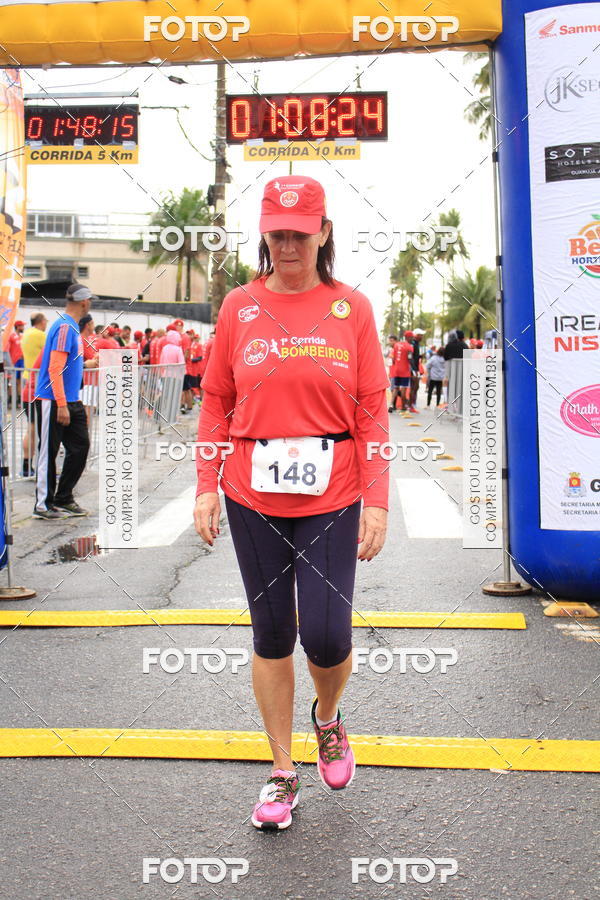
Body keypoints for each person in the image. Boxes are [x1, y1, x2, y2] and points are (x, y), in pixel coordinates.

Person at [194, 175, 389, 831]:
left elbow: (373, 413)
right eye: (277, 233)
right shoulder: (239, 306)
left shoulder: (351, 309)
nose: (288, 245)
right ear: (265, 235)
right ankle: (281, 773)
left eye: (300, 234)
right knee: (273, 633)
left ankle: (328, 719)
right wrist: (204, 484)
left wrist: (379, 500)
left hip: (332, 491)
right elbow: (216, 400)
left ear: (323, 233)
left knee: (329, 635)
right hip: (252, 490)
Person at [33, 287, 93, 519]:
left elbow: (67, 364)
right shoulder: (65, 326)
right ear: (84, 302)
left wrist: (86, 366)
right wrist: (61, 403)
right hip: (54, 400)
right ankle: (42, 505)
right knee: (48, 452)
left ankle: (63, 497)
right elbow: (55, 367)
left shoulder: (70, 327)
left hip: (69, 399)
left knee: (80, 447)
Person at [20, 313, 48, 476]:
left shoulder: (27, 334)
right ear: (41, 322)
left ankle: (26, 465)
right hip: (38, 384)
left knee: (30, 428)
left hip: (27, 379)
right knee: (41, 430)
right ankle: (41, 468)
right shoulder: (40, 335)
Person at [389, 330, 413, 413]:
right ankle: (403, 407)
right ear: (408, 337)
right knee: (403, 389)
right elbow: (410, 359)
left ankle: (391, 404)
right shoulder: (409, 347)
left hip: (396, 370)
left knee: (395, 388)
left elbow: (393, 359)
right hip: (405, 371)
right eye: (411, 337)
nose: (412, 338)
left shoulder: (396, 345)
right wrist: (413, 369)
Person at [409, 327, 425, 413]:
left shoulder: (417, 343)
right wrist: (413, 370)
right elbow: (410, 357)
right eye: (420, 335)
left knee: (416, 387)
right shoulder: (413, 343)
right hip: (413, 369)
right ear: (416, 335)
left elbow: (414, 356)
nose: (422, 337)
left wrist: (419, 356)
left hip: (416, 368)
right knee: (413, 387)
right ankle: (410, 405)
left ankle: (412, 404)